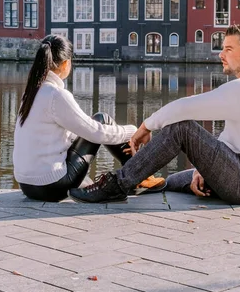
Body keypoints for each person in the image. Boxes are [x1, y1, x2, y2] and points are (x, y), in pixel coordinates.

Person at [69, 23, 240, 205]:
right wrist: (203, 170)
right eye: (223, 48)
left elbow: (185, 108)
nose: (221, 54)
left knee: (182, 128)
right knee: (169, 181)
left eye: (229, 49)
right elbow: (233, 140)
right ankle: (141, 182)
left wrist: (146, 126)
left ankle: (116, 185)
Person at [13, 34, 163, 202]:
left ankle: (137, 174)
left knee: (88, 176)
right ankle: (140, 176)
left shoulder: (31, 93)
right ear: (66, 63)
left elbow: (64, 135)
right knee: (101, 119)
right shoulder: (56, 95)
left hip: (27, 186)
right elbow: (95, 132)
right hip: (51, 186)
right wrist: (132, 131)